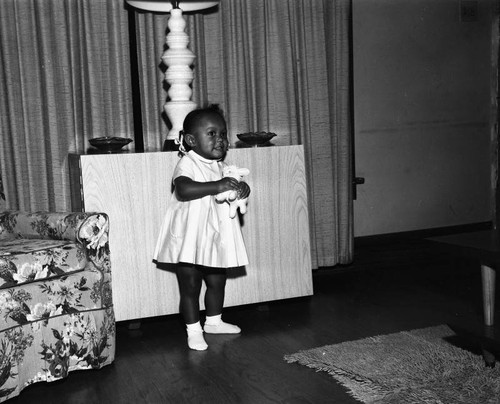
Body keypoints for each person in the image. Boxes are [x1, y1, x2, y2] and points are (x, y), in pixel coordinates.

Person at [153, 105, 250, 351]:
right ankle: (193, 330)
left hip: (213, 235)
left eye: (223, 134)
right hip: (189, 237)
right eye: (212, 133)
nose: (221, 140)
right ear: (191, 140)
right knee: (191, 285)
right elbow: (184, 189)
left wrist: (241, 189)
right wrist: (217, 185)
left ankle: (214, 321)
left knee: (218, 280)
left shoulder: (221, 165)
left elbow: (230, 188)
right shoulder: (188, 162)